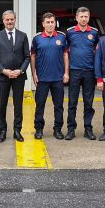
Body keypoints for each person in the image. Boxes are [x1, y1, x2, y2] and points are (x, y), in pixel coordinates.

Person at [0, 9, 29, 142]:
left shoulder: (23, 36)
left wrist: (21, 70)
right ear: (3, 21)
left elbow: (27, 57)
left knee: (18, 104)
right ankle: (2, 131)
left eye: (12, 19)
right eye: (7, 19)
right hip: (3, 77)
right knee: (2, 104)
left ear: (15, 20)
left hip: (19, 76)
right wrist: (4, 70)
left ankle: (17, 130)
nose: (9, 21)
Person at [30, 12, 69, 140]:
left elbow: (65, 55)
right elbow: (33, 56)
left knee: (59, 106)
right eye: (48, 22)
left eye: (52, 22)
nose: (50, 24)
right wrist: (34, 73)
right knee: (39, 105)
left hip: (58, 78)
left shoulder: (62, 37)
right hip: (42, 79)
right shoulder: (37, 38)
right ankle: (39, 129)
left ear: (55, 23)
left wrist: (66, 73)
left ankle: (57, 129)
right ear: (43, 24)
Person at [64, 6, 100, 140]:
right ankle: (71, 129)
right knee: (72, 102)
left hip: (89, 72)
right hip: (74, 71)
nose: (84, 19)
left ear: (89, 18)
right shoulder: (70, 32)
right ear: (76, 18)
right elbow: (65, 52)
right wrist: (66, 71)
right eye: (81, 16)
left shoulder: (95, 33)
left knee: (88, 102)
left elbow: (97, 51)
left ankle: (88, 128)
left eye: (86, 16)